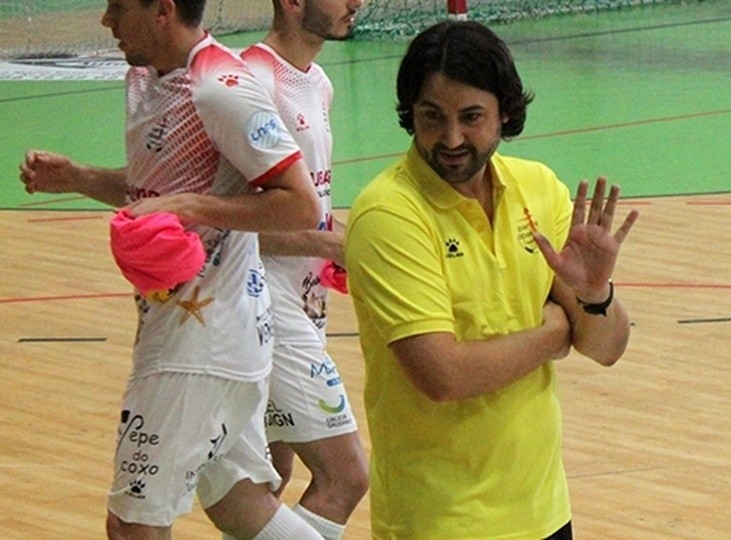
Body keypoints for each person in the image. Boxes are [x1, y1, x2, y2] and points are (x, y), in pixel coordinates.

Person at [18, 0, 329, 538]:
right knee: (237, 502)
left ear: (162, 10)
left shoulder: (220, 86)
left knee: (132, 524)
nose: (105, 21)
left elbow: (302, 205)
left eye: (118, 7)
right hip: (202, 336)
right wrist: (77, 177)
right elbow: (155, 191)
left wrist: (192, 208)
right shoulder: (144, 77)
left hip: (200, 348)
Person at [344, 20, 638, 539]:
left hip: (543, 513)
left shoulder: (537, 189)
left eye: (471, 117)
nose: (452, 138)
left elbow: (607, 347)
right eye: (432, 117)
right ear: (410, 116)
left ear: (505, 112)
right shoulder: (388, 215)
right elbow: (444, 376)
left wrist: (594, 296)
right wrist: (553, 334)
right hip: (441, 522)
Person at [239, 0, 368, 538]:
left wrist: (331, 246)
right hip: (264, 301)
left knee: (269, 477)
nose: (357, 3)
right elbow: (228, 224)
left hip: (304, 301)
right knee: (345, 476)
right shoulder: (251, 81)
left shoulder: (318, 84)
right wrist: (327, 244)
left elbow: (311, 197)